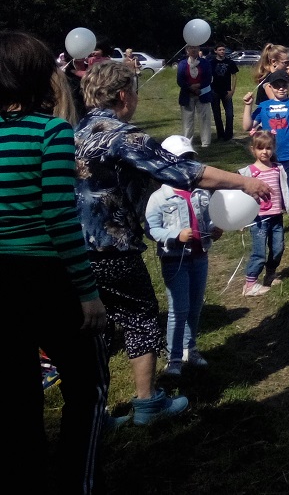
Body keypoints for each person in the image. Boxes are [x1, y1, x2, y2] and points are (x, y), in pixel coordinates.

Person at [74, 60, 268, 423]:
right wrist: (243, 182)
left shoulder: (77, 130)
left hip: (74, 249)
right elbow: (181, 171)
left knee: (92, 330)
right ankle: (148, 404)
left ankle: (93, 412)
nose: (135, 98)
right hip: (113, 248)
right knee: (140, 319)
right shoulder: (123, 135)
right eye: (134, 90)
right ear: (122, 95)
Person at [1, 30, 108, 493]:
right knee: (87, 386)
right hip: (45, 277)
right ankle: (73, 482)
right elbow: (61, 218)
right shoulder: (51, 132)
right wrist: (88, 293)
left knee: (16, 396)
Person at [145, 135, 222, 378]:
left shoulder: (201, 193)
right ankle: (174, 358)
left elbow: (207, 220)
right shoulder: (160, 197)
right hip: (175, 260)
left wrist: (214, 228)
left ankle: (191, 348)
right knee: (178, 308)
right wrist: (175, 235)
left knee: (195, 306)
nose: (185, 165)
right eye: (180, 160)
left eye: (189, 160)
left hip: (199, 258)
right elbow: (151, 229)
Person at [243, 65, 289, 231]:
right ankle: (270, 218)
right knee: (271, 188)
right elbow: (247, 126)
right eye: (277, 85)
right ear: (270, 87)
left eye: (284, 85)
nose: (281, 88)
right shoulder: (264, 106)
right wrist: (248, 105)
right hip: (270, 155)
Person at [239, 129, 289, 295]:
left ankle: (270, 274)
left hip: (276, 216)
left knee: (278, 247)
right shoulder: (249, 172)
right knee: (259, 252)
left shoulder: (278, 169)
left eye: (268, 148)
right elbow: (241, 198)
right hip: (258, 219)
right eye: (260, 148)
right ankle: (250, 283)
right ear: (253, 150)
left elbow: (285, 190)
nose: (265, 152)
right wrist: (242, 219)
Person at [176, 44, 215, 149]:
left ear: (199, 49)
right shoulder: (183, 63)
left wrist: (199, 86)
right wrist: (190, 87)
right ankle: (187, 142)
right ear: (187, 50)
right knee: (187, 120)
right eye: (190, 48)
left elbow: (208, 78)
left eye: (195, 48)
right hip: (187, 95)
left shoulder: (205, 62)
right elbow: (180, 80)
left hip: (203, 94)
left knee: (205, 118)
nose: (193, 50)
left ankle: (206, 143)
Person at [210, 44, 239, 141]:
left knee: (230, 114)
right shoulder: (211, 63)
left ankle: (228, 135)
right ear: (215, 51)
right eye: (220, 50)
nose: (222, 51)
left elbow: (234, 76)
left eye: (223, 50)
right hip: (214, 91)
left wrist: (232, 90)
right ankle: (220, 135)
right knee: (217, 114)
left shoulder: (230, 62)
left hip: (227, 91)